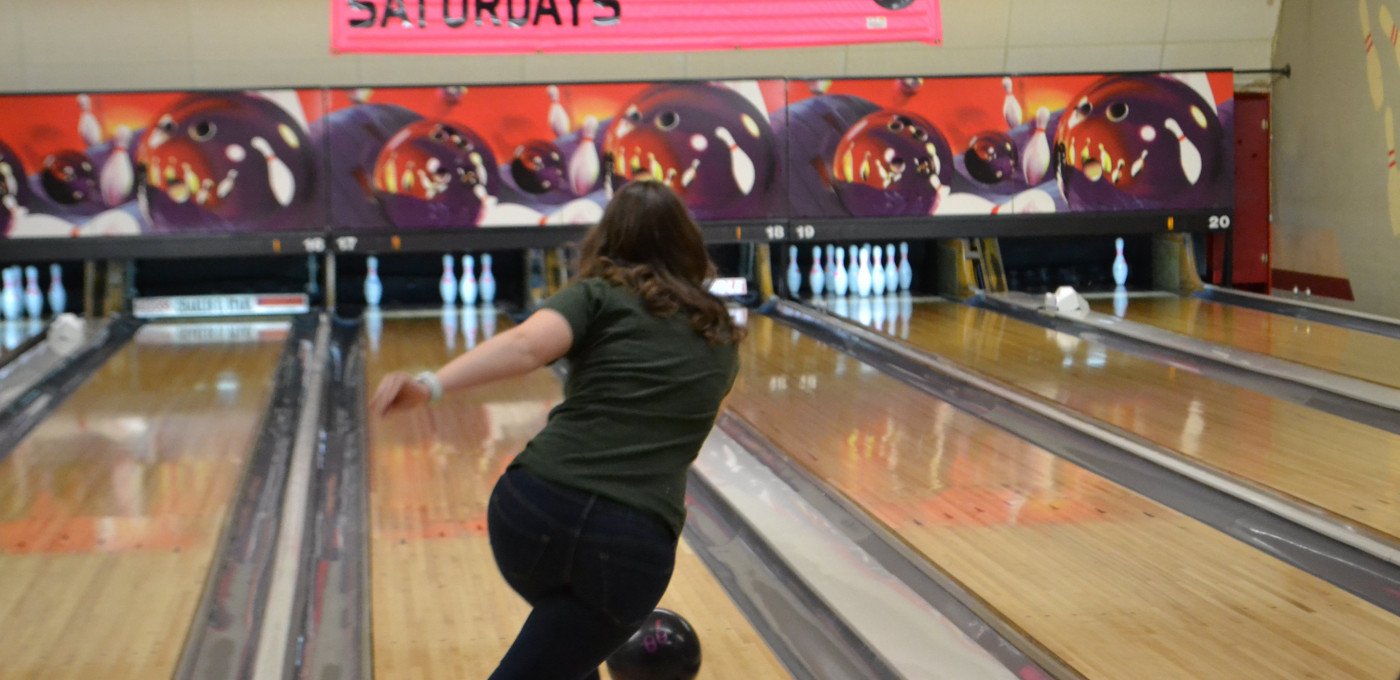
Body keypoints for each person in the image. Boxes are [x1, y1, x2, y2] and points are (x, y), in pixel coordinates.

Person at [370, 179, 744, 679]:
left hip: (531, 511)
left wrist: (429, 386)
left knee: (564, 655)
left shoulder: (598, 294)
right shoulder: (719, 331)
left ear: (607, 238)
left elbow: (527, 345)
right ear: (691, 244)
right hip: (630, 543)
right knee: (562, 650)